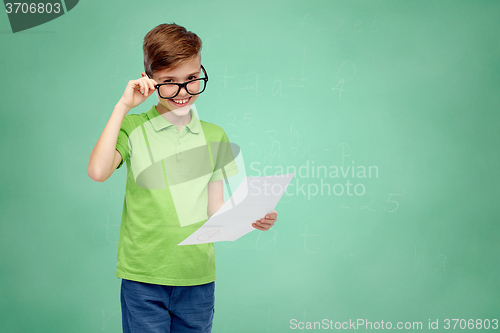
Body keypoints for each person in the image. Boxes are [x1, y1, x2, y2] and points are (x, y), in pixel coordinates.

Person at [87, 22, 278, 332]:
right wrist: (123, 106)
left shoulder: (215, 136)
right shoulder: (134, 128)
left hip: (197, 278)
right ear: (148, 79)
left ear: (201, 69)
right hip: (143, 278)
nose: (183, 91)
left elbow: (214, 208)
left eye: (191, 78)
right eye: (169, 81)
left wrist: (251, 216)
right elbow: (97, 171)